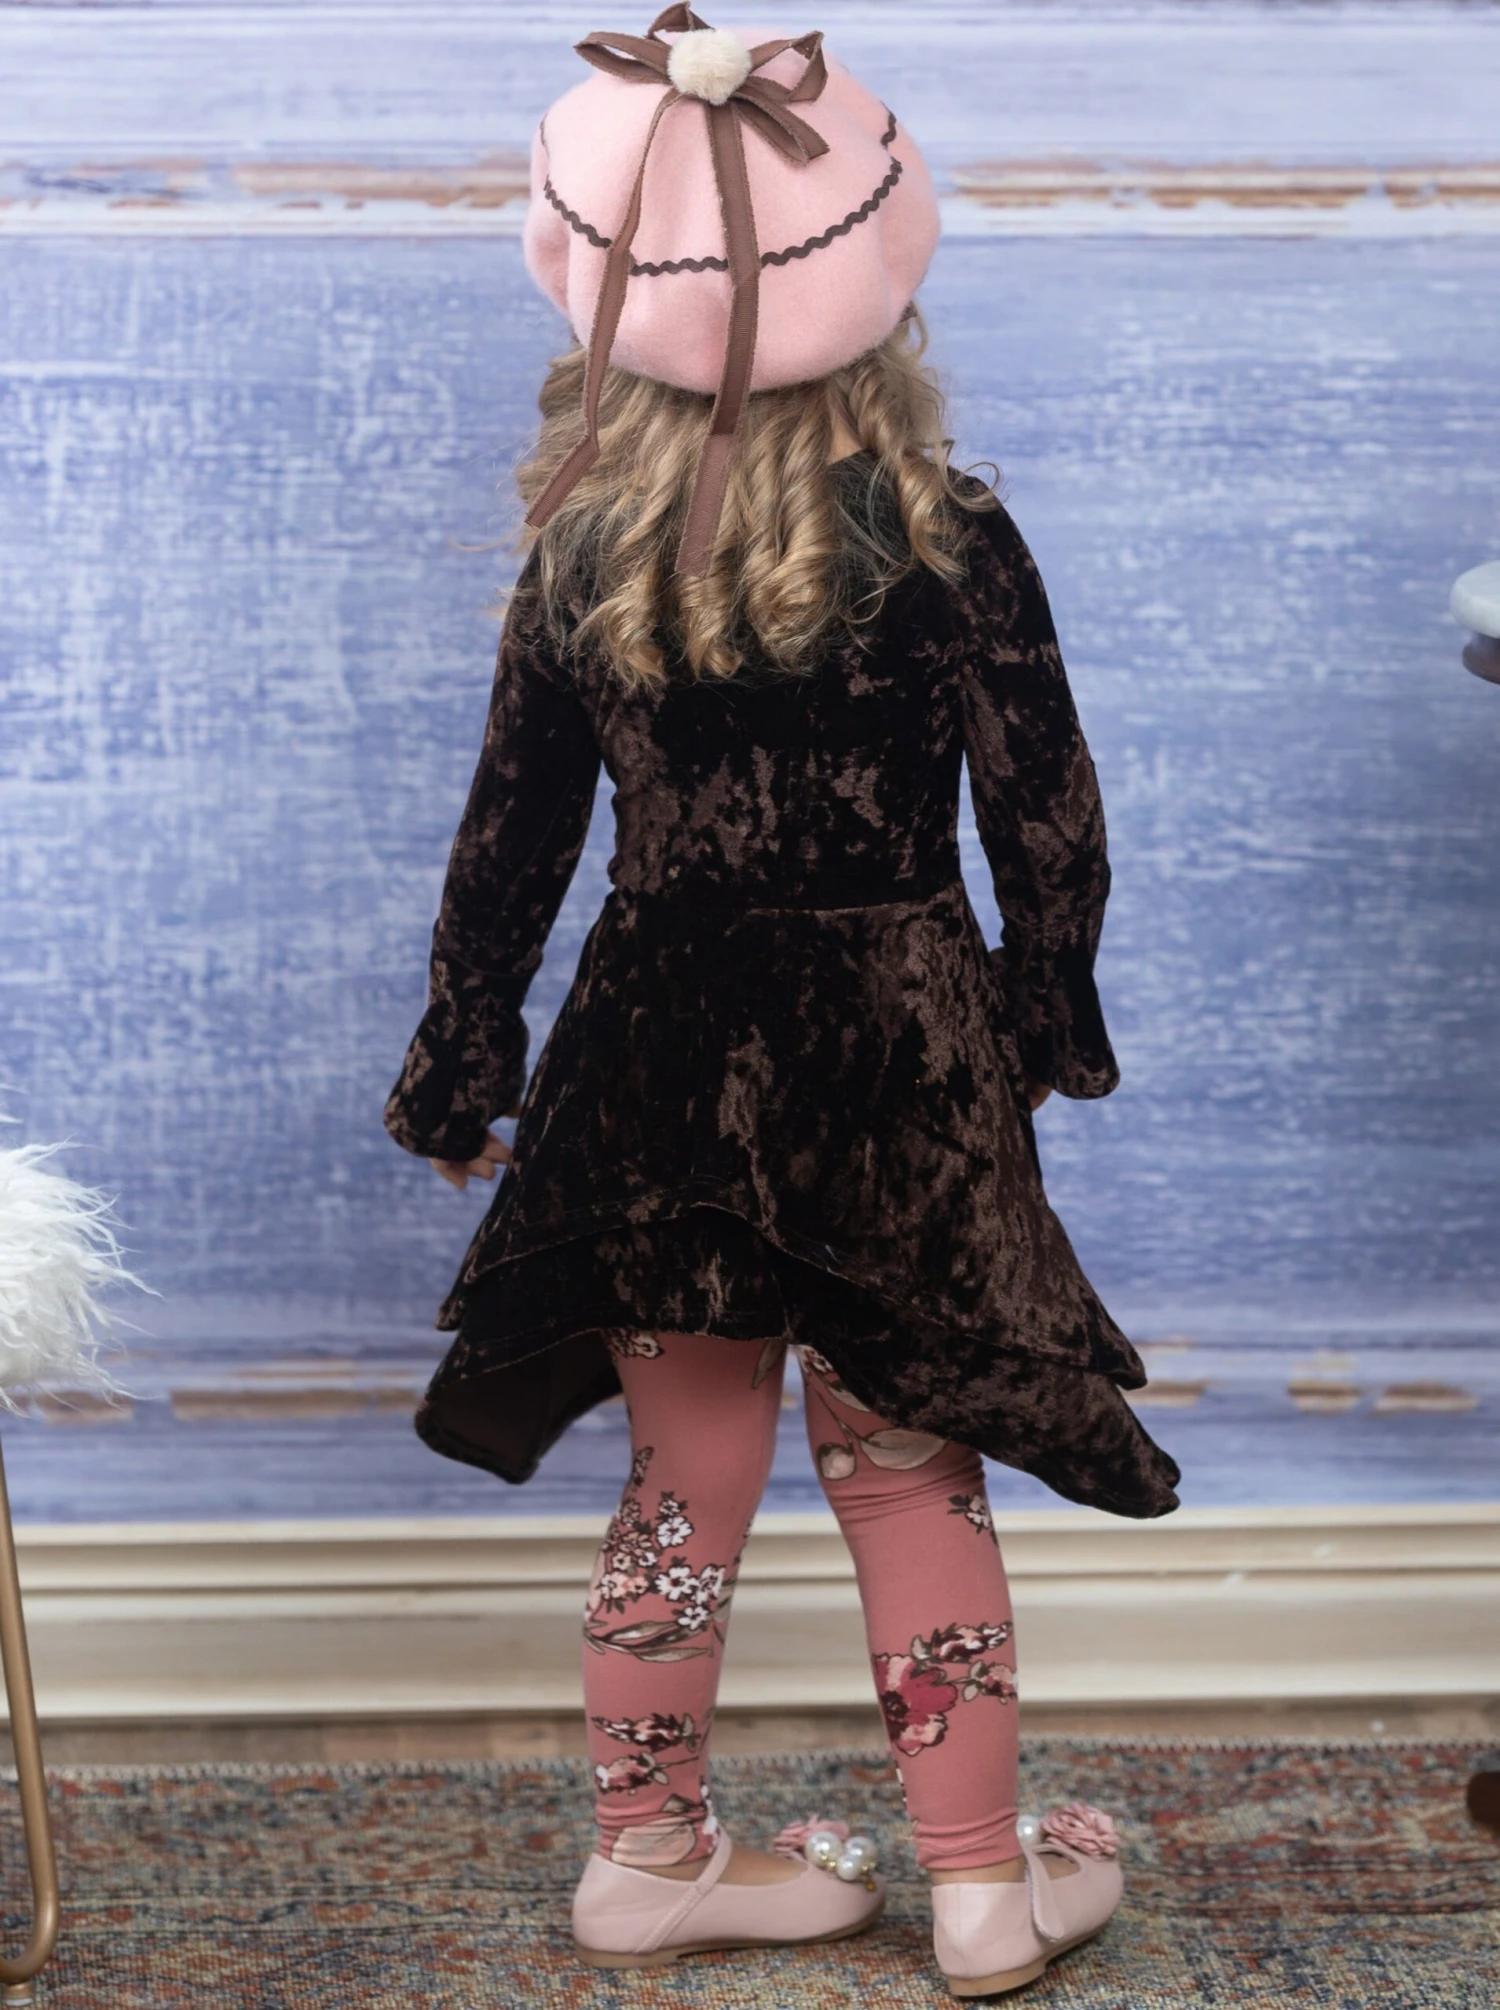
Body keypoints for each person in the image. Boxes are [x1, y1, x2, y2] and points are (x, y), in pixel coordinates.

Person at [383, 6, 1181, 1994]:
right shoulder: (952, 532)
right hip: (895, 1058)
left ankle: (648, 1858)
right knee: (909, 1471)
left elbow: (509, 844)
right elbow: (1053, 823)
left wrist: (466, 1067)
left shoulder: (585, 552)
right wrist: (1035, 1028)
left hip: (660, 1061)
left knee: (686, 1482)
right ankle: (981, 1890)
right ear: (880, 271)